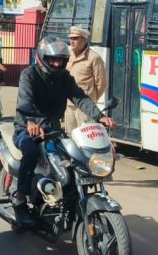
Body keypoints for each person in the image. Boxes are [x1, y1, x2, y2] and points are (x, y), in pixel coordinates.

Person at [11, 36, 115, 226]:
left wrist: (99, 116)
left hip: (53, 129)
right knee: (31, 153)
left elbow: (80, 97)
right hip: (27, 128)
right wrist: (31, 122)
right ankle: (20, 200)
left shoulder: (65, 78)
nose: (57, 64)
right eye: (53, 60)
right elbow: (25, 101)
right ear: (43, 58)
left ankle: (68, 200)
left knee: (73, 159)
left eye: (60, 60)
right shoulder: (29, 75)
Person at [63, 26, 108, 133]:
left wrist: (91, 101)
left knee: (86, 136)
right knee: (70, 136)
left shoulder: (94, 58)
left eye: (75, 38)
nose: (72, 42)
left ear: (84, 40)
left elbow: (101, 84)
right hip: (69, 105)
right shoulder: (68, 55)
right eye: (71, 38)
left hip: (85, 109)